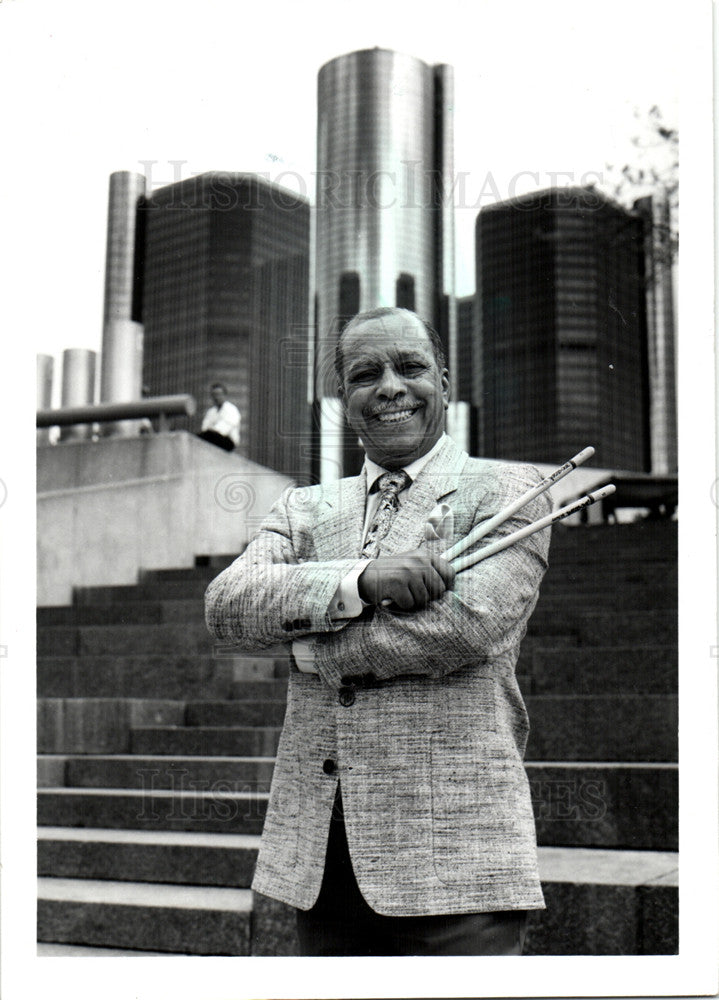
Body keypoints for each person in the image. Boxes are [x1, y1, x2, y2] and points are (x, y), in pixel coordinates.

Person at [205, 307, 552, 956]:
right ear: (344, 399)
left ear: (443, 381)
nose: (389, 386)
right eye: (365, 374)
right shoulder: (302, 507)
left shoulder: (509, 490)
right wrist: (364, 580)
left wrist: (305, 643)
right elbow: (227, 605)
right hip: (316, 862)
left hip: (457, 862)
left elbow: (461, 628)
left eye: (410, 367)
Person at [198, 382, 241, 451]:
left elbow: (224, 429)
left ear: (224, 395)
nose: (216, 397)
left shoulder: (231, 409)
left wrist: (211, 431)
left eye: (218, 394)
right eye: (214, 395)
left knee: (210, 435)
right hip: (213, 438)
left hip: (228, 441)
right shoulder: (210, 412)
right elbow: (205, 428)